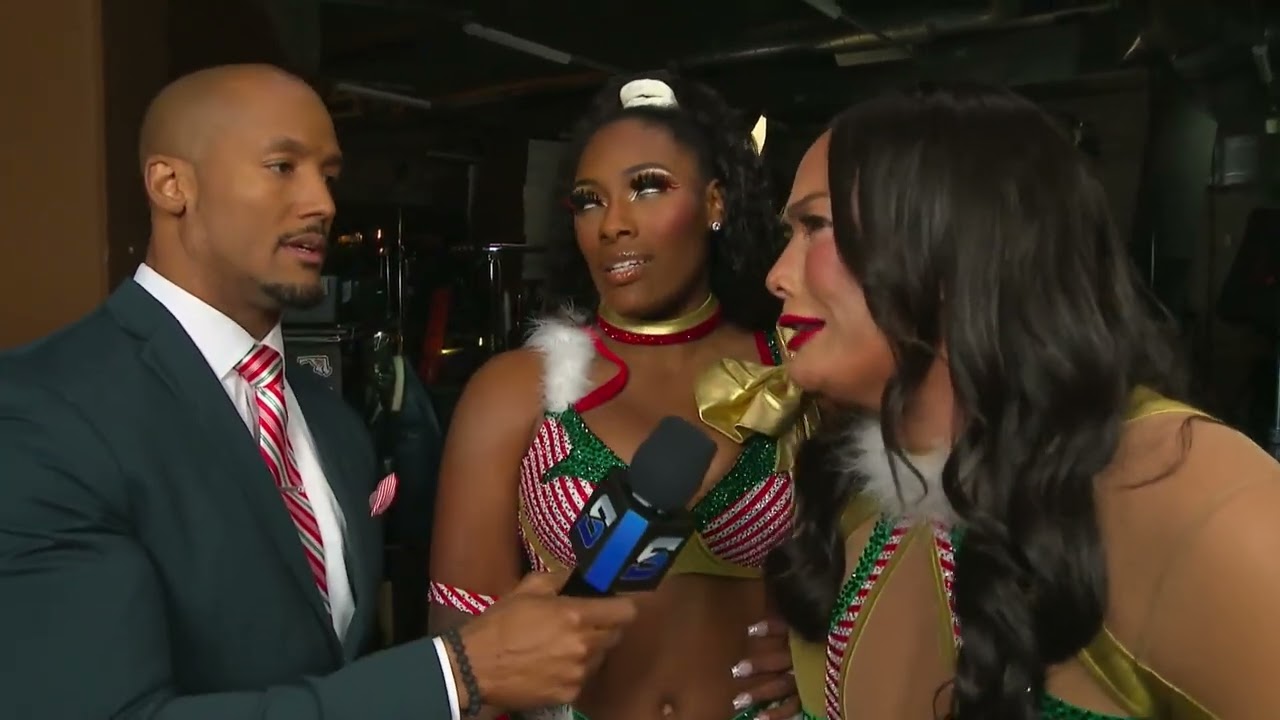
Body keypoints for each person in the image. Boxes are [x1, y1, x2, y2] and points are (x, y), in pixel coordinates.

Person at [0, 63, 637, 719]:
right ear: (171, 184)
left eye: (328, 176)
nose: (323, 205)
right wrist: (457, 675)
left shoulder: (332, 424)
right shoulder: (43, 413)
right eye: (283, 167)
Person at [763, 83, 1280, 719]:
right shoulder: (853, 499)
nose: (776, 275)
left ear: (956, 239)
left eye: (814, 225)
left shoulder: (1187, 491)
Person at [429, 72, 808, 720]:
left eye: (648, 187)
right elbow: (462, 665)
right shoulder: (517, 389)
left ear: (715, 204)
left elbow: (890, 600)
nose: (612, 224)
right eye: (589, 201)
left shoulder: (797, 372)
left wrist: (825, 662)